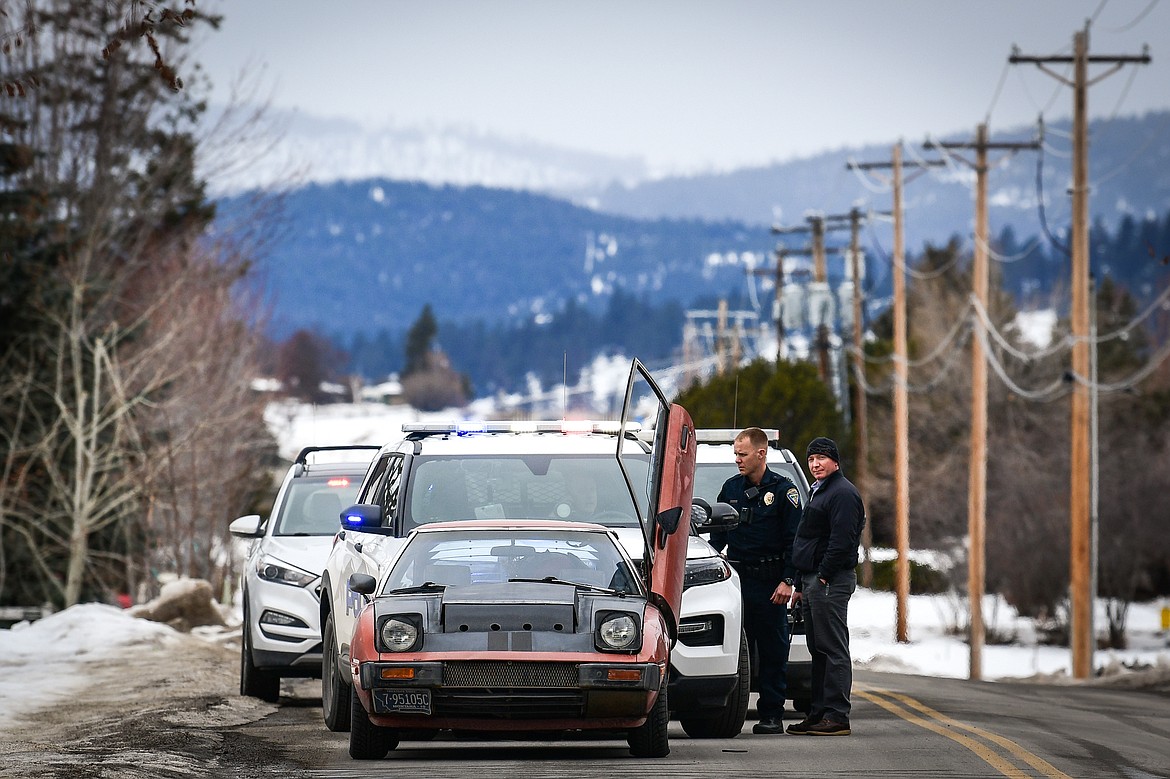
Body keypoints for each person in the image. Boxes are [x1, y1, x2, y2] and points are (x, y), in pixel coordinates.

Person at [710, 427, 803, 735]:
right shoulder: (731, 489)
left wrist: (788, 580)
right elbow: (717, 539)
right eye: (735, 454)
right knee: (733, 649)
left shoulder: (783, 491)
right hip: (737, 583)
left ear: (761, 454)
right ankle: (725, 712)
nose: (737, 460)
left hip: (770, 584)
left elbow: (795, 542)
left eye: (742, 454)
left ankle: (772, 714)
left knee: (774, 651)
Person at [787, 436, 866, 737]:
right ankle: (818, 712)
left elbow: (843, 541)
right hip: (812, 580)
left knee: (833, 647)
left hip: (829, 581)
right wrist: (800, 581)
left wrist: (822, 575)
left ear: (835, 461)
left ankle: (837, 715)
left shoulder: (843, 494)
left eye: (821, 458)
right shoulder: (819, 489)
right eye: (811, 459)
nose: (815, 464)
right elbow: (808, 538)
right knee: (818, 648)